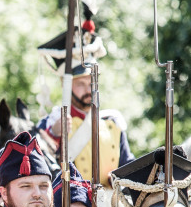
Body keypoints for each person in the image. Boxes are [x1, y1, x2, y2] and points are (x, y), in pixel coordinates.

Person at [35, 18, 133, 186]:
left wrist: (120, 178)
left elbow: (128, 167)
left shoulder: (112, 122)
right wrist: (54, 135)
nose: (88, 89)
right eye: (80, 83)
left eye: (91, 82)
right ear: (64, 85)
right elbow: (38, 170)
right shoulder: (49, 124)